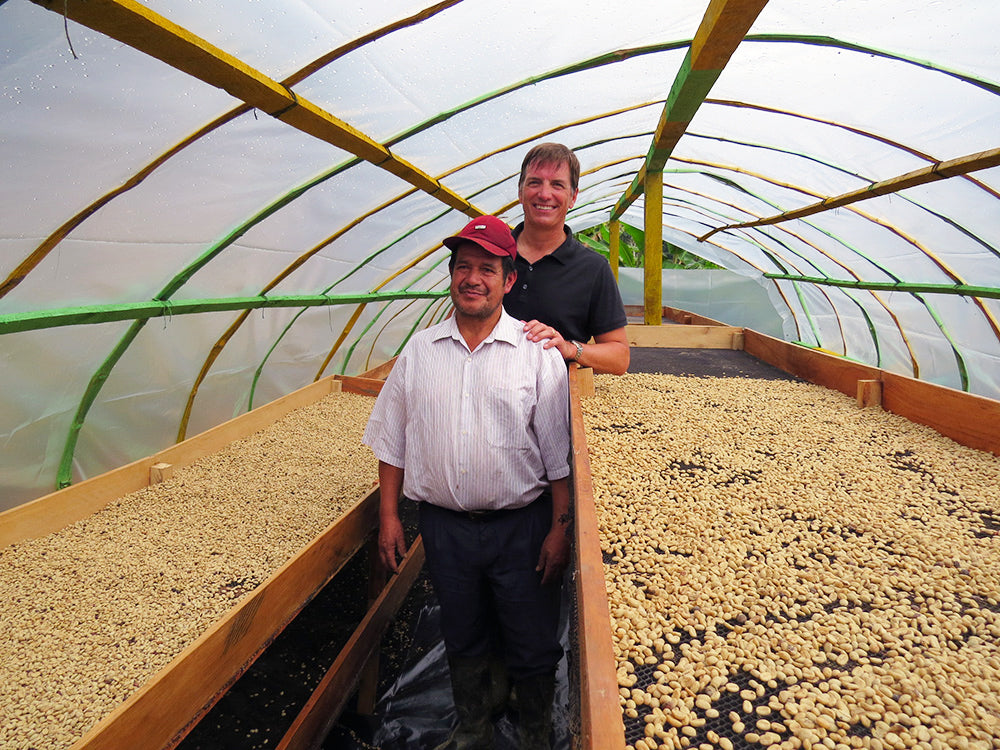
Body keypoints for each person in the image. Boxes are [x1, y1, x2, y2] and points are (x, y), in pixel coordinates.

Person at [363, 215, 571, 750]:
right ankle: (472, 728)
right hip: (446, 528)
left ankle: (535, 732)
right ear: (451, 277)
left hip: (520, 527)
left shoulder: (536, 354)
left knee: (531, 638)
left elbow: (558, 459)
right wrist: (389, 517)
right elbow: (391, 442)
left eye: (486, 268)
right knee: (462, 631)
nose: (472, 278)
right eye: (462, 267)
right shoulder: (420, 352)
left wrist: (559, 528)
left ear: (508, 281)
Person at [505, 142, 631, 375]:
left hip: (556, 403)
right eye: (534, 182)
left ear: (572, 197)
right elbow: (460, 321)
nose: (544, 194)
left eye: (557, 185)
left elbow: (619, 357)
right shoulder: (494, 253)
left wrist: (569, 348)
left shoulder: (593, 269)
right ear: (520, 192)